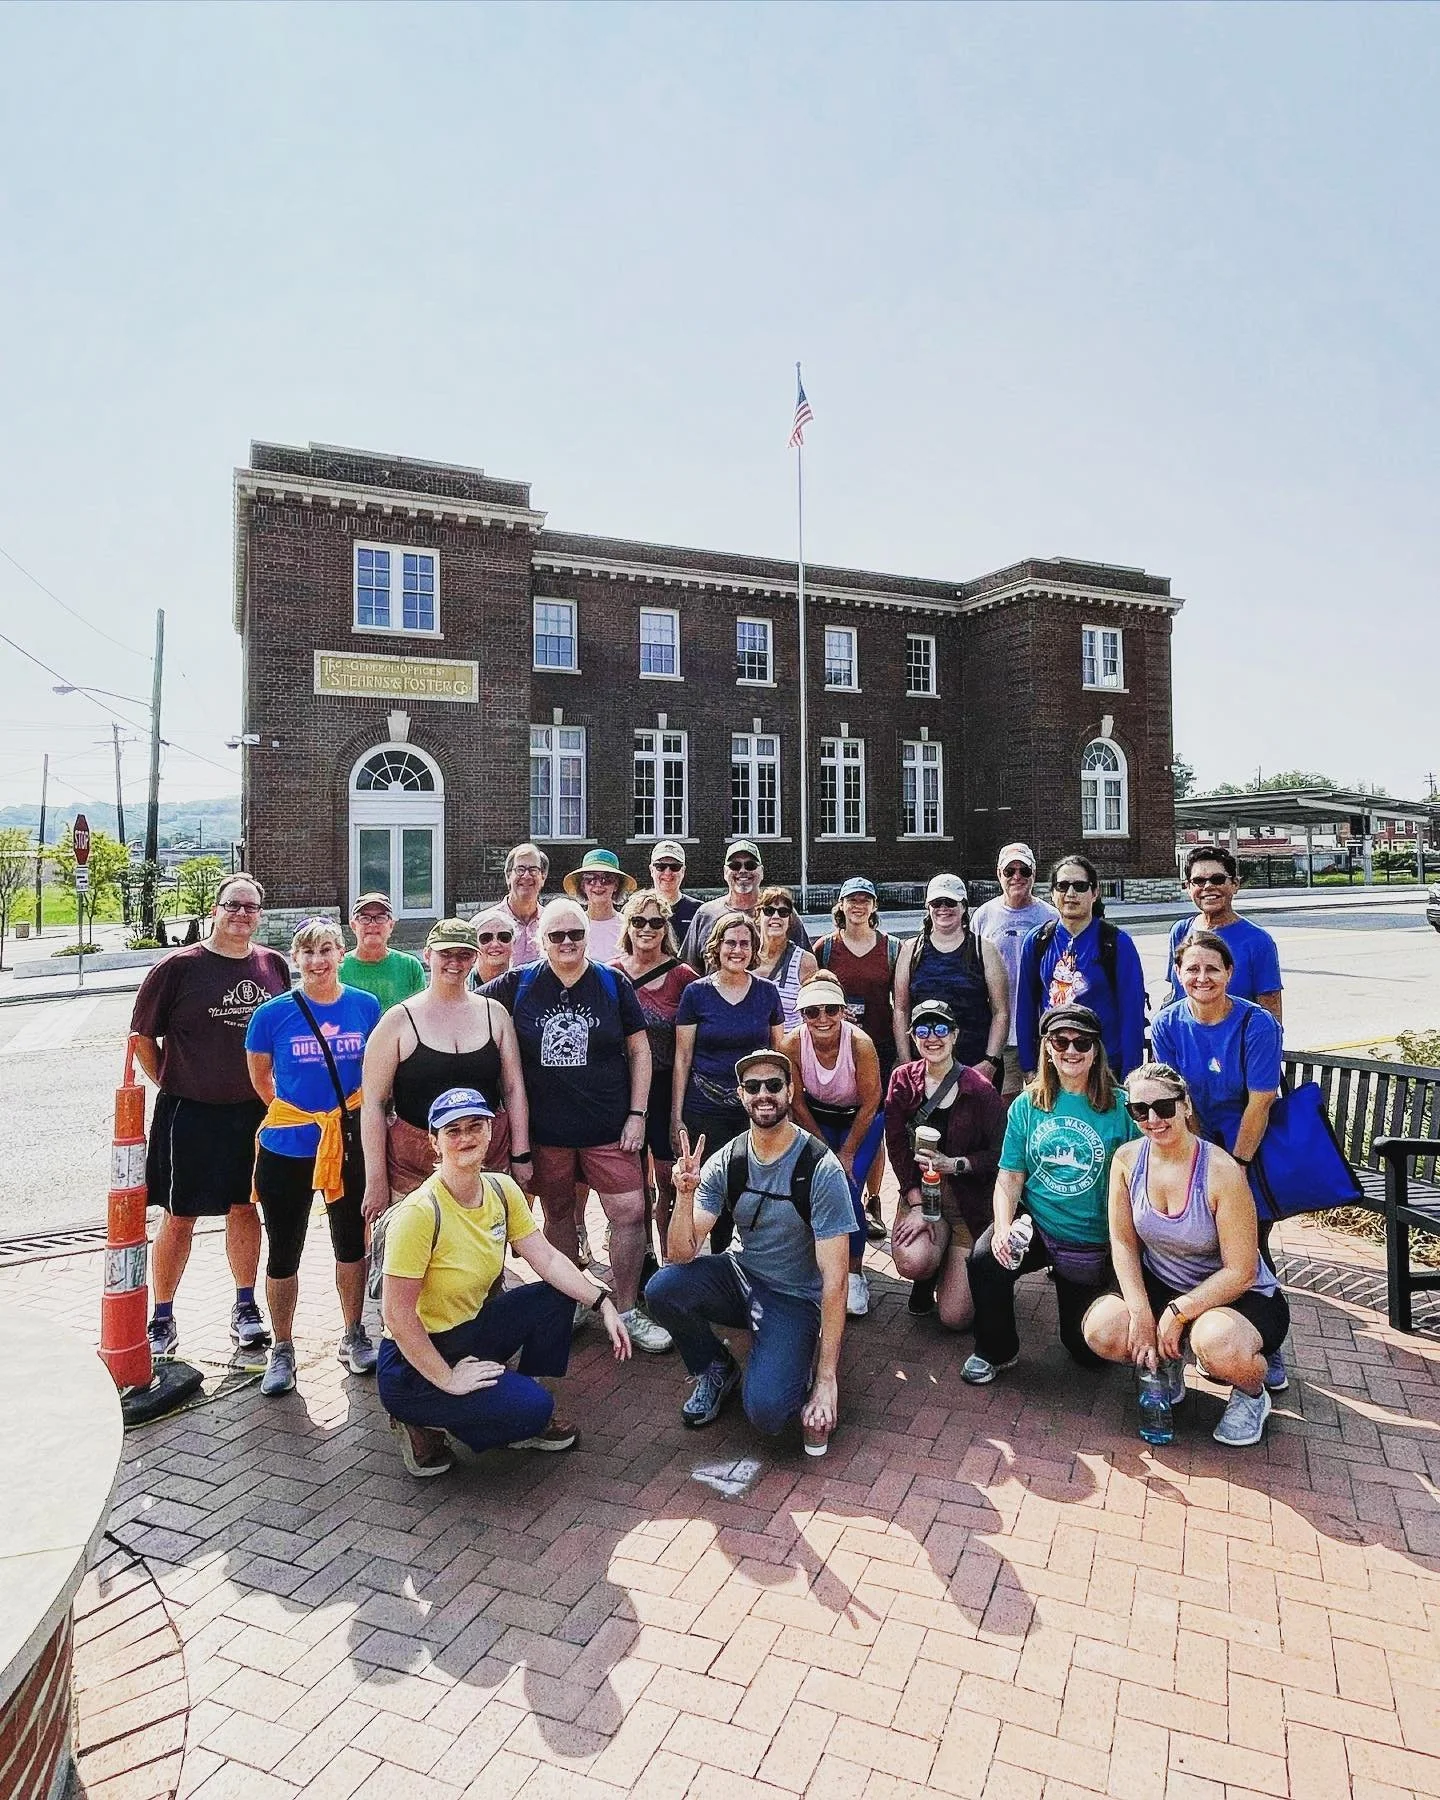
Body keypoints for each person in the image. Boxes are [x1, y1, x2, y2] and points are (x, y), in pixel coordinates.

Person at [378, 1087, 631, 1476]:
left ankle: (504, 1400)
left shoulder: (500, 1188)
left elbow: (545, 1257)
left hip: (470, 1329)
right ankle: (421, 1422)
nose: (466, 1138)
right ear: (435, 1141)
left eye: (475, 1126)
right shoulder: (419, 1213)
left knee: (556, 1296)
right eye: (453, 1130)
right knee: (535, 1409)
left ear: (491, 1130)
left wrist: (602, 1302)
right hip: (414, 1359)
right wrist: (448, 1378)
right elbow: (396, 1316)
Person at [480, 897, 671, 1353]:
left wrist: (637, 1114)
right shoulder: (518, 984)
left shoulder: (611, 982)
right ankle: (574, 1302)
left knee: (628, 1211)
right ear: (541, 940)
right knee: (559, 1214)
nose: (567, 943)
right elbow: (464, 1007)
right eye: (556, 935)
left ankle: (625, 1307)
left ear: (588, 935)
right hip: (547, 1133)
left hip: (610, 1128)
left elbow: (640, 1051)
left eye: (576, 934)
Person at [644, 1050, 853, 1453]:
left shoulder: (819, 1168)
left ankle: (794, 1357)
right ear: (740, 1095)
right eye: (752, 1087)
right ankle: (716, 1369)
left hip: (793, 1295)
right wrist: (683, 1196)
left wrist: (828, 1378)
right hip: (740, 1275)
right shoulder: (729, 1159)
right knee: (662, 1288)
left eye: (774, 1085)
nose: (764, 1094)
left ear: (791, 1091)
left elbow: (836, 1283)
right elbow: (681, 1254)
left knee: (768, 1412)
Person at [1082, 1063, 1290, 1447]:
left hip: (1237, 1296)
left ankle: (1252, 1394)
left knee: (1218, 1344)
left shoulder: (1221, 1170)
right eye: (1140, 1111)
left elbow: (1241, 1271)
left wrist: (1177, 1313)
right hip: (1163, 1281)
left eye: (1163, 1107)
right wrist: (1143, 1313)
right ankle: (1167, 1360)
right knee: (1103, 1330)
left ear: (1186, 1106)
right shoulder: (1127, 1160)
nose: (1153, 1119)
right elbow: (1124, 1242)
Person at [131, 872, 292, 1360]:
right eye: (232, 905)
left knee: (246, 1207)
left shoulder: (274, 966)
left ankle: (245, 1307)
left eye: (250, 907)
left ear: (259, 914)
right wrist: (175, 1082)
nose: (241, 914)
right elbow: (142, 1039)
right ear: (215, 909)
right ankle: (162, 1316)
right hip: (190, 1114)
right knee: (179, 1216)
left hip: (254, 1112)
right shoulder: (178, 968)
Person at [963, 1004, 1138, 1385]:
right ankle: (996, 1350)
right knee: (984, 1260)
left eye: (1082, 1042)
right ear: (1047, 1048)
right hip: (1038, 1225)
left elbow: (1144, 1181)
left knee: (1085, 1352)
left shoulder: (1124, 1107)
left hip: (1092, 1238)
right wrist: (1004, 1225)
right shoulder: (1027, 1104)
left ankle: (1099, 1301)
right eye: (1061, 1041)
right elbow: (1009, 1176)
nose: (1071, 1051)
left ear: (1096, 1050)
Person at [244, 919, 382, 1396]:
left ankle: (353, 1331)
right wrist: (298, 1114)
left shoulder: (365, 1007)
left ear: (341, 953)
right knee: (284, 1249)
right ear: (295, 958)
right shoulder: (271, 1015)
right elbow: (261, 1079)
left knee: (351, 1241)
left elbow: (377, 1071)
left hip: (348, 1141)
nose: (318, 960)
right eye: (308, 952)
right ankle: (282, 1348)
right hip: (289, 1146)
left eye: (326, 950)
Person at [1151, 928, 1290, 1392]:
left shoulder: (1256, 1024)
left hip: (1247, 1147)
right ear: (1178, 973)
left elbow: (1261, 1099)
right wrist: (1195, 1161)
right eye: (1192, 968)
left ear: (1230, 973)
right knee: (1199, 1242)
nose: (1202, 977)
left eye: (1213, 968)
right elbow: (1174, 1097)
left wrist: (1235, 1166)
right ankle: (1208, 1330)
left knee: (1247, 1246)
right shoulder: (1168, 1025)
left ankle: (1263, 1346)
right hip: (1194, 1145)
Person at [360, 918, 531, 1216]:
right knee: (415, 1253)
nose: (455, 962)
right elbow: (373, 1103)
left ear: (474, 958)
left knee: (483, 1250)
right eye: (445, 954)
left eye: (464, 955)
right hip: (414, 1161)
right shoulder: (398, 1021)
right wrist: (375, 1179)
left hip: (484, 1155)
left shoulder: (495, 1014)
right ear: (427, 955)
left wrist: (521, 1154)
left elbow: (514, 1089)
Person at [884, 999, 1007, 1329]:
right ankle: (930, 1271)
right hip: (924, 1198)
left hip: (969, 1206)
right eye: (923, 1029)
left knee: (955, 1319)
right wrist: (913, 1201)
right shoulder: (903, 1080)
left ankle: (959, 1266)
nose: (932, 1038)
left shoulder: (980, 1089)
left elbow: (1001, 1154)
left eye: (941, 1029)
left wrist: (958, 1164)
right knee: (912, 1260)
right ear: (913, 1036)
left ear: (955, 1035)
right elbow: (895, 1144)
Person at [672, 910, 786, 1249]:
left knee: (751, 1187)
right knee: (712, 1190)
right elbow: (682, 1058)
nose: (737, 950)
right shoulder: (696, 994)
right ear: (717, 947)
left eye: (745, 944)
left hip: (754, 1108)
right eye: (730, 942)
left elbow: (779, 1055)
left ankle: (754, 1261)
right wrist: (676, 1115)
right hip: (704, 1107)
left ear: (754, 949)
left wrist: (784, 1109)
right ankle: (716, 1258)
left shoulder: (767, 992)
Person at [782, 975, 885, 1317]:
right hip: (819, 1117)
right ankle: (818, 1263)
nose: (822, 1018)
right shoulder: (792, 1045)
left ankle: (855, 1273)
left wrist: (848, 1151)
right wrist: (825, 1149)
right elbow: (797, 1104)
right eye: (813, 1011)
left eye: (830, 1009)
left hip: (860, 1118)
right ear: (802, 1015)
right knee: (814, 1184)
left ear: (843, 1012)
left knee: (848, 1184)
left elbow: (872, 1102)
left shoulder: (860, 1044)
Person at [814, 876, 902, 1239]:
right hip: (834, 1047)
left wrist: (902, 1054)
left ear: (874, 906)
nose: (858, 906)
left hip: (878, 1046)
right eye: (852, 900)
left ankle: (873, 1199)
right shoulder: (825, 949)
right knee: (836, 1121)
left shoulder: (893, 948)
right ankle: (836, 1193)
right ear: (841, 905)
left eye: (865, 900)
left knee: (873, 1124)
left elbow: (901, 1004)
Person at [612, 889, 695, 1266]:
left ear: (666, 928)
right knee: (632, 1182)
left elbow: (688, 1049)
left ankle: (669, 1254)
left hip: (664, 1089)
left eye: (656, 922)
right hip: (622, 1090)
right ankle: (642, 1254)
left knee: (665, 1181)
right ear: (628, 926)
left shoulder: (682, 977)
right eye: (639, 921)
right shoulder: (610, 974)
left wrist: (679, 1109)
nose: (647, 929)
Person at [1016, 855, 1148, 1081]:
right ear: (1052, 893)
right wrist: (1029, 1066)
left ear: (1095, 892)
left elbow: (1132, 1014)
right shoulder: (1037, 941)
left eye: (1080, 886)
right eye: (1062, 886)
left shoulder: (1116, 943)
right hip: (1054, 1064)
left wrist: (1130, 1076)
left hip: (1104, 1068)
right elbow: (1026, 1006)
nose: (1070, 893)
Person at [892, 875, 1009, 1083]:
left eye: (950, 902)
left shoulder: (985, 949)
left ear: (964, 906)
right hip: (924, 1066)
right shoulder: (911, 950)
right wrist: (905, 1061)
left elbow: (1000, 1012)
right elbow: (901, 1009)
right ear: (928, 907)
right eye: (937, 903)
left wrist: (990, 1062)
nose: (943, 908)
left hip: (975, 1064)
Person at [970, 844, 1059, 1099]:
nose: (1017, 877)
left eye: (1024, 870)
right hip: (1001, 1033)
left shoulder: (1050, 915)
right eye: (1010, 871)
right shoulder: (984, 916)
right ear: (999, 874)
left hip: (1041, 1031)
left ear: (1034, 873)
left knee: (1043, 1100)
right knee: (1004, 1105)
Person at [1166, 847, 1283, 1020]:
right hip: (1186, 1043)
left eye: (1218, 879)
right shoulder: (1181, 931)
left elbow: (1271, 1013)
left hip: (1236, 1044)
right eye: (1198, 881)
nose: (1208, 887)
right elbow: (1176, 994)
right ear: (1188, 887)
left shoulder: (1258, 941)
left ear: (1235, 884)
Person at [679, 842, 811, 971]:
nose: (742, 871)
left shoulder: (781, 914)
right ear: (725, 872)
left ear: (762, 872)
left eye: (750, 865)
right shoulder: (706, 914)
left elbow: (804, 962)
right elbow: (689, 970)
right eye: (735, 866)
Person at [338, 892, 427, 1012]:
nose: (373, 924)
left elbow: (420, 1014)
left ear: (391, 925)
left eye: (380, 918)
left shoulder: (410, 967)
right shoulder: (337, 968)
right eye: (365, 918)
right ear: (353, 925)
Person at [753, 887, 819, 1028]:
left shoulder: (805, 961)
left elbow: (814, 1013)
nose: (776, 916)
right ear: (758, 916)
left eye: (783, 912)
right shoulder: (744, 958)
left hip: (789, 1046)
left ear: (789, 919)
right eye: (769, 911)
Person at [563, 848, 635, 964]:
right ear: (582, 886)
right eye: (590, 879)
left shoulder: (628, 927)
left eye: (606, 879)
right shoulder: (572, 926)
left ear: (616, 885)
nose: (598, 885)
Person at [490, 843, 549, 967]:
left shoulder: (551, 922)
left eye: (533, 870)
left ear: (543, 877)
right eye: (520, 869)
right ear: (508, 876)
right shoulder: (487, 923)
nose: (526, 876)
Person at [649, 841, 701, 939]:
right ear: (652, 870)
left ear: (683, 871)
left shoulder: (699, 911)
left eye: (674, 867)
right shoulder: (638, 910)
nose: (667, 872)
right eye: (661, 867)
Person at [471, 906, 516, 983]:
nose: (495, 944)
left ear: (513, 942)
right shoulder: (462, 985)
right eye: (485, 938)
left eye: (504, 937)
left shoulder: (524, 985)